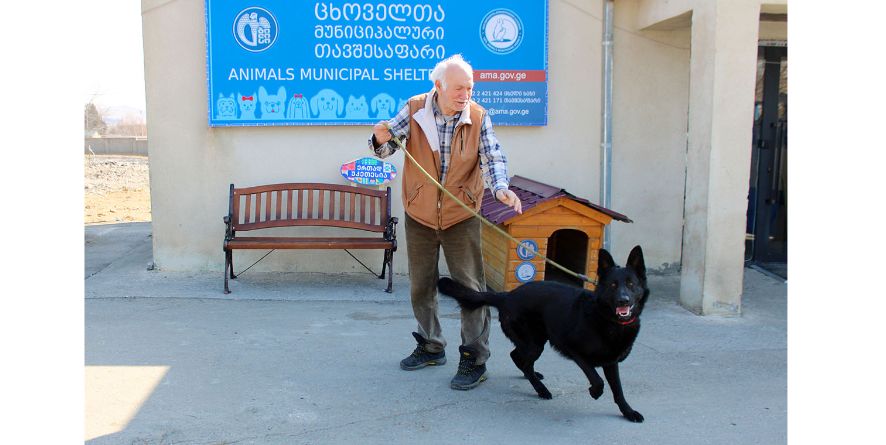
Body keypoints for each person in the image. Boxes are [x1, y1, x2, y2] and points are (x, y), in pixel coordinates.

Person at [369, 54, 522, 390]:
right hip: (419, 215)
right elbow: (385, 145)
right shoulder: (414, 109)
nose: (465, 94)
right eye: (458, 88)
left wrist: (500, 188)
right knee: (421, 286)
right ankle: (431, 345)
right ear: (438, 86)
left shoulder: (479, 117)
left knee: (471, 291)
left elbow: (492, 156)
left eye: (469, 87)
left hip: (461, 216)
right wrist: (380, 139)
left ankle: (474, 359)